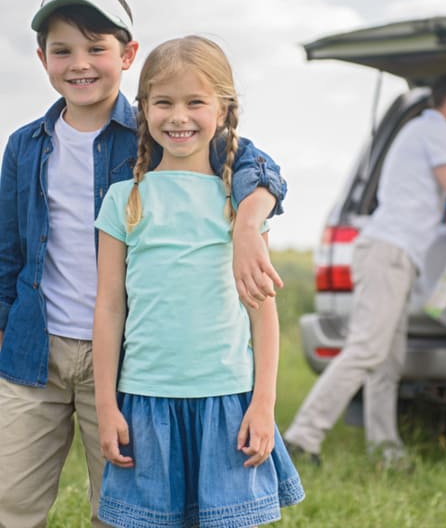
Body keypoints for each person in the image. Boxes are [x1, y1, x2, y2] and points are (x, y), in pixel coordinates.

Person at [0, 0, 288, 528]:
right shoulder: (24, 145)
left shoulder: (156, 132)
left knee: (120, 509)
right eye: (62, 50)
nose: (79, 63)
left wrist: (250, 223)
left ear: (127, 54)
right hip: (35, 349)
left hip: (130, 362)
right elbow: (9, 254)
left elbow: (256, 164)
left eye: (96, 47)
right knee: (10, 501)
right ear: (42, 59)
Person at [93, 35, 304, 527]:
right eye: (163, 102)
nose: (179, 116)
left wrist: (264, 403)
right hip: (146, 400)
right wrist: (107, 405)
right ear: (142, 108)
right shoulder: (124, 199)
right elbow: (108, 308)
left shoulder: (240, 203)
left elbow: (262, 309)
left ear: (224, 109)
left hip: (228, 401)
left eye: (196, 102)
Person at [284, 72, 446, 468]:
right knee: (366, 350)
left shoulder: (424, 132)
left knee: (387, 362)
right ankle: (301, 439)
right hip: (387, 254)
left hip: (392, 255)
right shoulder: (436, 130)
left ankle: (386, 449)